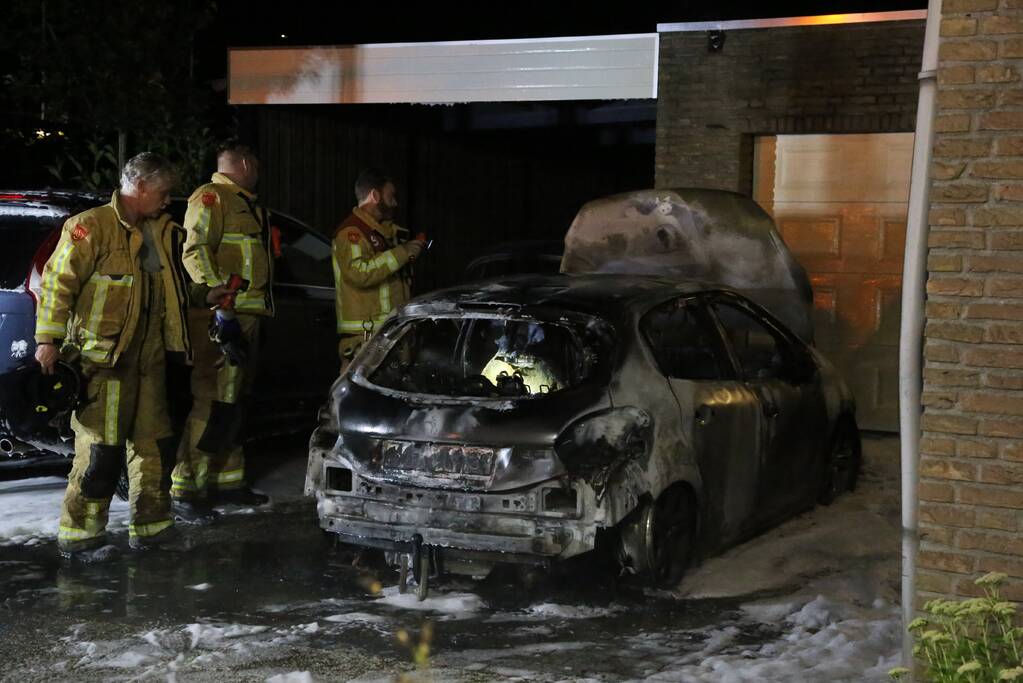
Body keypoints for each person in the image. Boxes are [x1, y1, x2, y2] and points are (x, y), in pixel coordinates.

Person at [35, 152, 207, 555]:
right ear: (141, 185)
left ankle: (152, 527)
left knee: (154, 445)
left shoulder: (163, 232)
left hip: (150, 361)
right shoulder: (91, 226)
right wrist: (48, 340)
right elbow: (57, 285)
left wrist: (206, 295)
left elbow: (176, 290)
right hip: (103, 362)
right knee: (101, 450)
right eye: (163, 191)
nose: (167, 200)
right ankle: (81, 537)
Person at [171, 141, 273, 521]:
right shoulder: (211, 197)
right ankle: (187, 489)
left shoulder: (245, 203)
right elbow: (194, 250)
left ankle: (228, 481)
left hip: (248, 315)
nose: (258, 172)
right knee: (213, 402)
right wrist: (220, 300)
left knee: (234, 402)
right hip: (224, 317)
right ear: (245, 163)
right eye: (256, 165)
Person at [333, 168, 424, 372]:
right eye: (391, 196)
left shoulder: (385, 233)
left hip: (391, 331)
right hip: (366, 337)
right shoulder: (352, 232)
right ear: (375, 195)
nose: (395, 203)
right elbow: (359, 273)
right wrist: (402, 253)